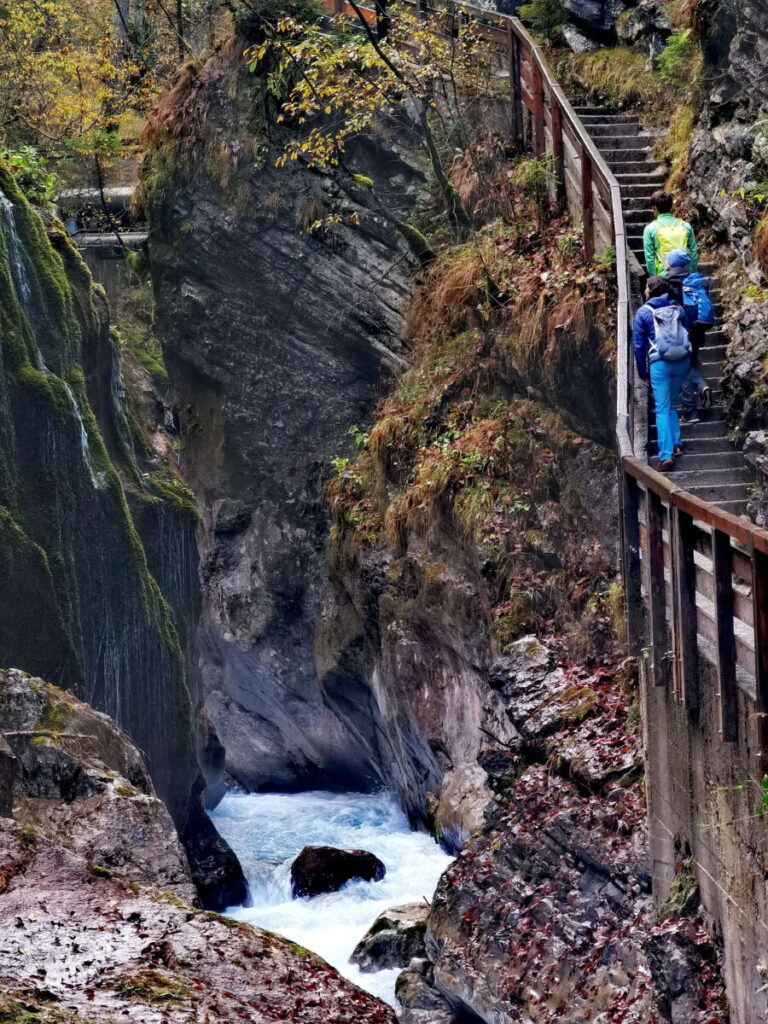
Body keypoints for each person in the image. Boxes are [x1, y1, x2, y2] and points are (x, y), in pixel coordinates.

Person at [633, 276, 692, 470]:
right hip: (682, 361)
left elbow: (639, 345)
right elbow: (688, 330)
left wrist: (642, 371)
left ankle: (665, 455)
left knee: (662, 408)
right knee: (671, 403)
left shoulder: (643, 313)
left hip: (660, 364)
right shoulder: (678, 308)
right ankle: (676, 444)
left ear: (649, 289)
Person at [663, 248, 713, 423]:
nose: (665, 261)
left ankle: (690, 412)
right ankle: (702, 386)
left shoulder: (668, 281)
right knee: (691, 363)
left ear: (672, 262)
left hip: (679, 332)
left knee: (682, 372)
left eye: (667, 259)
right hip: (696, 331)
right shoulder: (693, 280)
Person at [643, 191, 699, 278]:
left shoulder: (650, 229)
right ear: (671, 206)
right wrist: (692, 275)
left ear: (654, 208)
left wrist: (654, 279)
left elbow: (650, 259)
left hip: (664, 276)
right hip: (685, 273)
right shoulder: (685, 226)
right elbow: (694, 254)